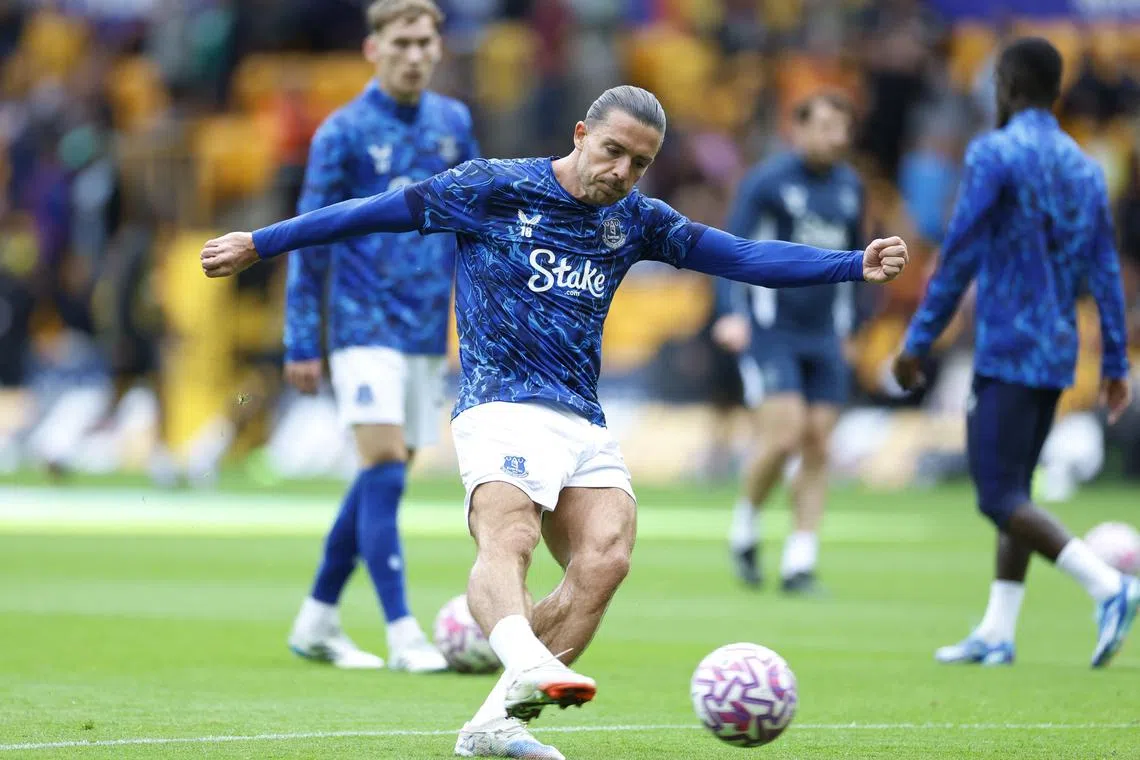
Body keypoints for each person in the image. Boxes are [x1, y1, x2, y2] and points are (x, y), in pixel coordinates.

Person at [202, 85, 909, 759]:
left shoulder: (636, 220)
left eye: (640, 162)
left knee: (607, 558)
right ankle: (521, 657)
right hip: (499, 403)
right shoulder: (494, 187)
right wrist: (261, 243)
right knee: (509, 536)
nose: (622, 171)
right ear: (581, 134)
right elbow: (371, 212)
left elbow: (744, 256)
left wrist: (852, 263)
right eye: (612, 151)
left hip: (581, 416)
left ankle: (494, 722)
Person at [892, 37, 1138, 669]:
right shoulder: (1084, 165)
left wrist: (918, 339)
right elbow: (1105, 269)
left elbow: (962, 252)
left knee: (996, 496)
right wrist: (1114, 361)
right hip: (1059, 347)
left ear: (1004, 85)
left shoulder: (993, 152)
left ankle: (1109, 587)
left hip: (1005, 346)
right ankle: (998, 631)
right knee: (1017, 491)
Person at [283, 0, 479, 673]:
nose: (417, 54)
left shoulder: (455, 125)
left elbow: (475, 224)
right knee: (386, 466)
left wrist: (473, 322)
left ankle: (317, 617)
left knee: (379, 475)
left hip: (425, 330)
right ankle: (403, 632)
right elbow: (311, 238)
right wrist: (301, 338)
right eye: (403, 42)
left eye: (426, 42)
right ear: (374, 49)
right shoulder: (341, 133)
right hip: (362, 323)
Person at [712, 93, 864, 594]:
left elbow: (860, 260)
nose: (834, 137)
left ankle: (800, 561)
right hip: (771, 328)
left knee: (818, 443)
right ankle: (746, 525)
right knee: (783, 435)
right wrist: (730, 314)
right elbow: (728, 251)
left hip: (825, 334)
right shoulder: (767, 182)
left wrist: (853, 329)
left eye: (840, 127)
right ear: (797, 129)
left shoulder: (851, 188)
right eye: (823, 126)